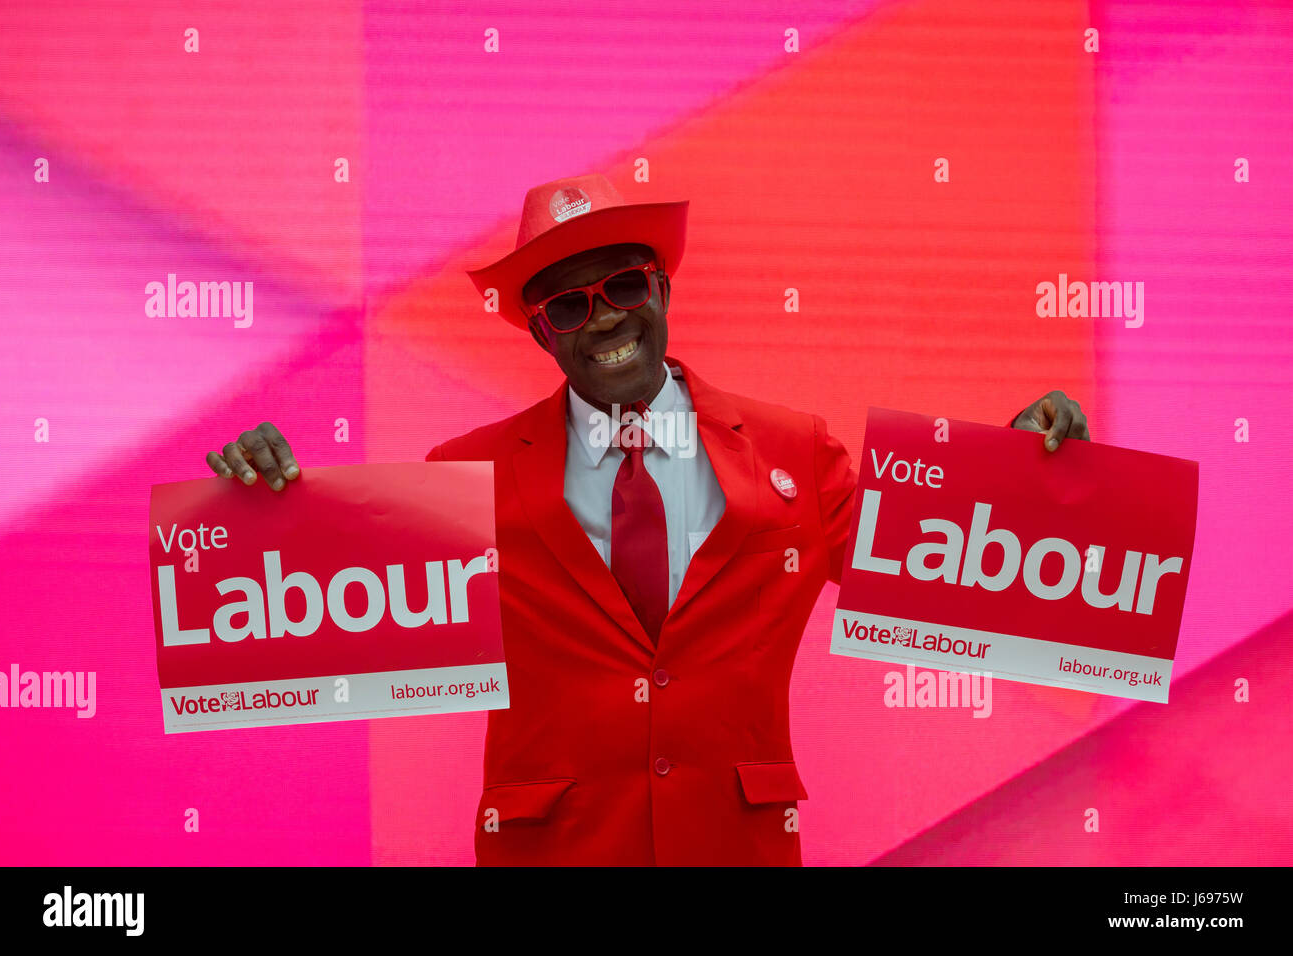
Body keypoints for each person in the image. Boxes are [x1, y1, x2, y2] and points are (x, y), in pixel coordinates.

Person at [205, 173, 1090, 865]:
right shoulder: (464, 476)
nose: (604, 320)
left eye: (625, 285)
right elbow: (333, 599)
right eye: (567, 305)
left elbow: (937, 569)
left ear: (662, 290)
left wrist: (1012, 474)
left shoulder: (795, 453)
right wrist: (265, 509)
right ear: (541, 335)